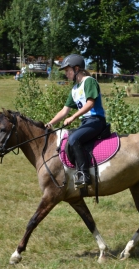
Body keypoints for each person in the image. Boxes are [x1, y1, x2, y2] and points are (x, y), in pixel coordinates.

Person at [45, 54, 106, 188]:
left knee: (74, 140)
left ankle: (84, 174)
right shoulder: (74, 89)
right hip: (86, 123)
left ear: (76, 68)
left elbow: (90, 104)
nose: (66, 74)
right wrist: (50, 123)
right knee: (67, 139)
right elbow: (64, 111)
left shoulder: (89, 81)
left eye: (67, 70)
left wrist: (73, 117)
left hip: (96, 121)